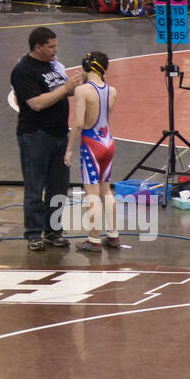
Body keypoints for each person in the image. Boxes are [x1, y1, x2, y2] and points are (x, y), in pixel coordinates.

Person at [12, 27, 84, 252]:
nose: (55, 50)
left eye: (55, 45)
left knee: (59, 187)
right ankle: (34, 233)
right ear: (38, 47)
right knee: (35, 186)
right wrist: (66, 88)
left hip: (59, 133)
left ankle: (53, 231)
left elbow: (63, 91)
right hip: (35, 135)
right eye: (51, 47)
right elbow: (37, 103)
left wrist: (85, 83)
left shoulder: (53, 66)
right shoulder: (23, 71)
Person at [63, 51, 120, 253]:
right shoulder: (112, 90)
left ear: (87, 67)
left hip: (91, 144)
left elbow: (78, 124)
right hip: (108, 142)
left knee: (92, 193)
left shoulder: (83, 91)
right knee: (107, 190)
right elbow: (106, 115)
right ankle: (113, 235)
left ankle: (93, 239)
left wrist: (69, 150)